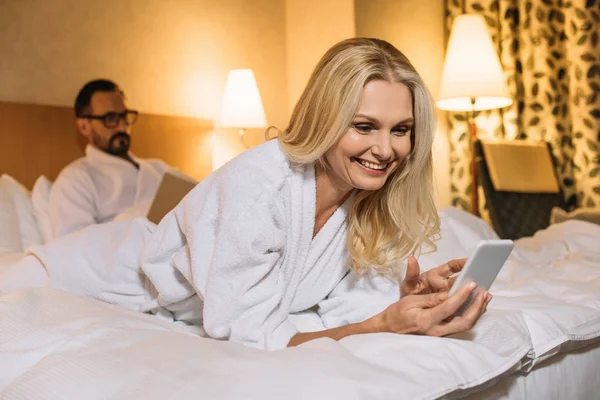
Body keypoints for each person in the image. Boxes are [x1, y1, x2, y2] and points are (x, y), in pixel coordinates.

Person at [2, 38, 490, 351]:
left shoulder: (356, 196)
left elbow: (322, 304)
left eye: (400, 130)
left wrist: (398, 299)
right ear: (324, 119)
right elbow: (252, 338)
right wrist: (381, 325)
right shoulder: (260, 188)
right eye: (365, 126)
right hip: (94, 275)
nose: (385, 150)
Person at [47, 79, 170, 239]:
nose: (122, 127)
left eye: (125, 116)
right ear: (84, 126)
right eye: (110, 118)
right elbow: (75, 247)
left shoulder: (160, 169)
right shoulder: (75, 180)